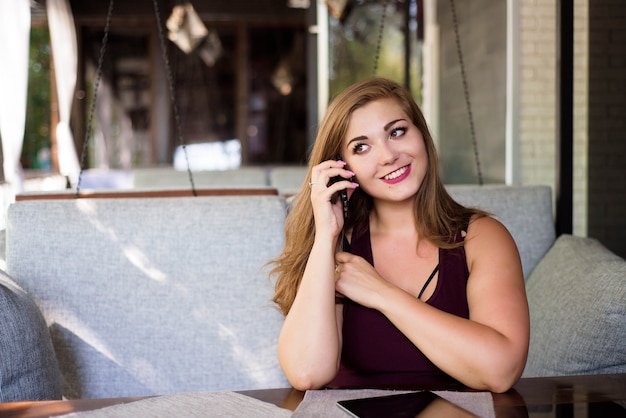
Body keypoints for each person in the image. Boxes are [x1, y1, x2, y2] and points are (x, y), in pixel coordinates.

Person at [269, 77, 529, 393]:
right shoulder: (337, 247)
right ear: (342, 167)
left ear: (421, 135)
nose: (388, 156)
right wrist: (326, 234)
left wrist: (381, 292)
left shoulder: (481, 238)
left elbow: (500, 371)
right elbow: (307, 372)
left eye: (397, 132)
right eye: (361, 147)